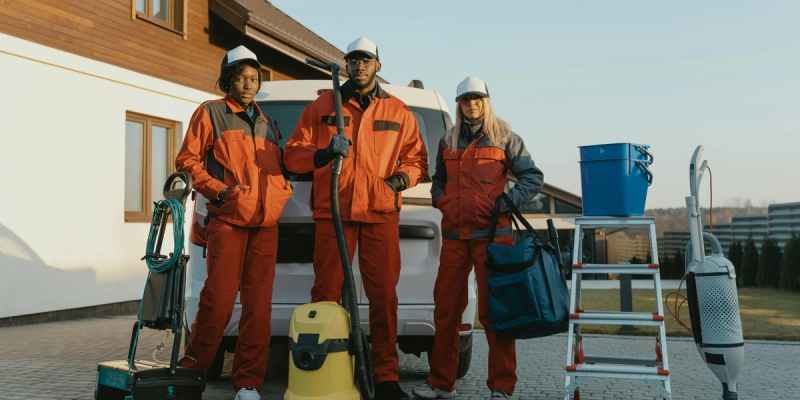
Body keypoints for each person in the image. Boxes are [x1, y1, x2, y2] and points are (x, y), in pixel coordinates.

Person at [284, 37, 428, 400]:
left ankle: (385, 377)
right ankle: (326, 370)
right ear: (346, 65)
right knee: (327, 295)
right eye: (353, 60)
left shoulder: (399, 110)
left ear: (378, 65)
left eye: (366, 60)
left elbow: (417, 160)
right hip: (334, 212)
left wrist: (396, 182)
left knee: (383, 298)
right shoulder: (322, 105)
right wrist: (322, 153)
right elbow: (293, 155)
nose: (360, 66)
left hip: (380, 211)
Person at [413, 77, 544, 400]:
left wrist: (506, 202)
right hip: (455, 238)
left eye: (476, 98)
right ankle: (442, 383)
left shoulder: (505, 138)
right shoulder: (449, 140)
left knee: (495, 313)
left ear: (486, 101)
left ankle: (501, 386)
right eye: (465, 99)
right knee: (445, 312)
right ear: (458, 104)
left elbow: (533, 177)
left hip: (493, 240)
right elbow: (438, 181)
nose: (470, 104)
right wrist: (442, 200)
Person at [175, 45, 292, 400]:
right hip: (227, 222)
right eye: (240, 78)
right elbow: (188, 162)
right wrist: (222, 192)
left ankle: (248, 384)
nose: (247, 84)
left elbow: (281, 167)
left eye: (253, 78)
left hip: (265, 226)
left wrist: (282, 190)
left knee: (258, 310)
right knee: (217, 303)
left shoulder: (268, 122)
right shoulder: (209, 113)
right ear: (228, 79)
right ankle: (189, 377)